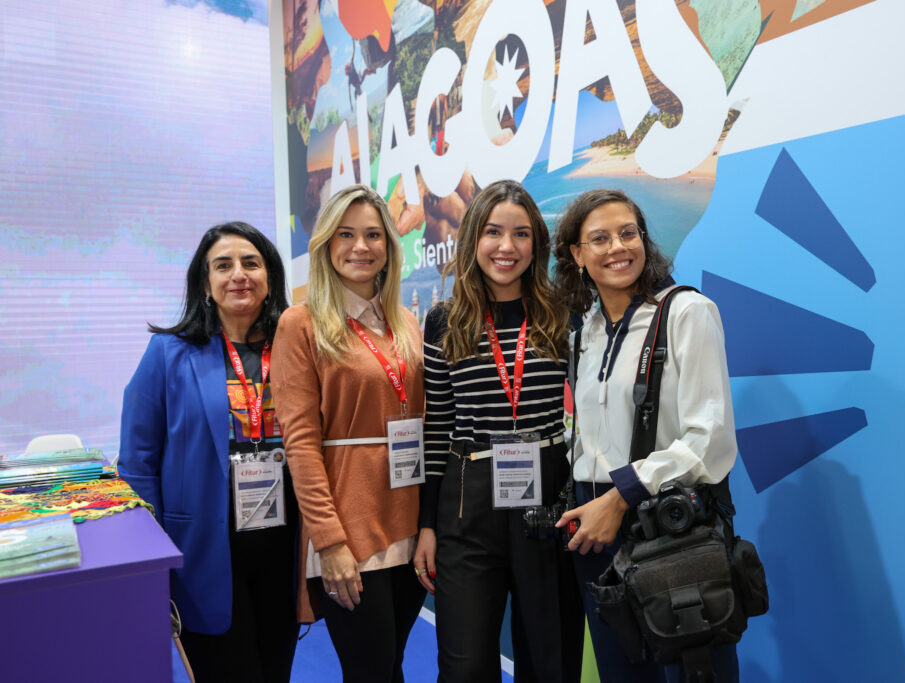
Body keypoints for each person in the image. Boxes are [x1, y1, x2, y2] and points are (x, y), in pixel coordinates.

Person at [552, 189, 740, 682]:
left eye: (627, 233)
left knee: (694, 669)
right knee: (621, 672)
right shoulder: (583, 330)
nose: (617, 247)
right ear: (576, 254)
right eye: (599, 238)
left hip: (668, 526)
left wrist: (620, 498)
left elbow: (710, 437)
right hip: (593, 534)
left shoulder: (686, 312)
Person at [413, 179, 584, 682]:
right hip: (467, 501)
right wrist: (427, 524)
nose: (507, 247)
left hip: (550, 498)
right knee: (465, 667)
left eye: (521, 234)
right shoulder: (444, 321)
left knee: (550, 661)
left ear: (538, 244)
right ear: (472, 240)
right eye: (493, 232)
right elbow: (438, 426)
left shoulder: (563, 315)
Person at [119, 221, 297, 682]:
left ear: (270, 278)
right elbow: (137, 464)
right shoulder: (167, 354)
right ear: (206, 283)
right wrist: (151, 562)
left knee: (275, 670)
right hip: (203, 553)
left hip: (284, 546)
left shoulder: (296, 348)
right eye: (223, 265)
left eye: (251, 263)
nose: (238, 274)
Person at [271, 184, 425, 683]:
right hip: (350, 527)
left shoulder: (404, 322)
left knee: (392, 664)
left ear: (388, 246)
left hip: (410, 519)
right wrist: (330, 542)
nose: (361, 247)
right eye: (346, 234)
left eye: (373, 235)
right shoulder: (301, 324)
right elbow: (300, 443)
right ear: (325, 245)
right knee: (371, 672)